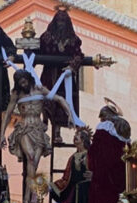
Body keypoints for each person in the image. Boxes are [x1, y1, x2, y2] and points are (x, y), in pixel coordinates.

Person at [3, 69, 73, 203]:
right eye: (20, 83)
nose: (23, 85)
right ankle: (27, 199)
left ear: (29, 79)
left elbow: (59, 99)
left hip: (38, 129)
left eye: (24, 81)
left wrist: (70, 114)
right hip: (24, 128)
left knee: (33, 163)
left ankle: (28, 196)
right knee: (29, 156)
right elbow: (8, 114)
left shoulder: (40, 90)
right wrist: (2, 134)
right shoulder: (17, 94)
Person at [39, 7, 84, 144]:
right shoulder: (46, 38)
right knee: (48, 101)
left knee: (63, 103)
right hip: (50, 74)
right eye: (58, 20)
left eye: (63, 21)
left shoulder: (74, 40)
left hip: (65, 76)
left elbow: (79, 55)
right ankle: (45, 125)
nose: (61, 23)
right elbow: (39, 51)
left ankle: (58, 133)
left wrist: (72, 66)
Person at [87, 101, 131, 203]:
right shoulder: (124, 129)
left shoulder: (104, 129)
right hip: (123, 178)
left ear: (104, 116)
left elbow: (95, 154)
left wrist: (93, 170)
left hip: (104, 181)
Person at [49, 127, 92, 203]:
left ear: (83, 139)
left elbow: (97, 172)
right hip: (73, 191)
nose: (75, 136)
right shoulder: (72, 157)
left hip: (86, 192)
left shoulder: (90, 155)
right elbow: (66, 177)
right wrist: (54, 186)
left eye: (77, 135)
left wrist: (94, 176)